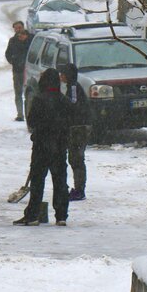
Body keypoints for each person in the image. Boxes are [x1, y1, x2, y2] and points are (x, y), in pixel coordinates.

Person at [14, 68, 70, 226]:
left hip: (41, 146)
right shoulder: (63, 100)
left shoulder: (39, 99)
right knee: (60, 181)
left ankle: (32, 215)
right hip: (59, 146)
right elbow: (69, 122)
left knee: (38, 181)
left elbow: (31, 122)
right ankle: (61, 216)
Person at [60, 63, 91, 201]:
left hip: (79, 127)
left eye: (63, 74)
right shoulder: (72, 86)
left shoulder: (73, 87)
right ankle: (79, 188)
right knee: (76, 158)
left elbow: (72, 104)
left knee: (76, 159)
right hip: (79, 126)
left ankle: (79, 190)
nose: (61, 76)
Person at [4, 21, 33, 121]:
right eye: (16, 28)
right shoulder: (12, 41)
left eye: (19, 27)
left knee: (30, 93)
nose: (18, 30)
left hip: (31, 71)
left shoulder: (31, 38)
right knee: (18, 93)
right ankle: (20, 114)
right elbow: (7, 54)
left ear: (23, 27)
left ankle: (31, 114)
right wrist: (13, 61)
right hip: (17, 71)